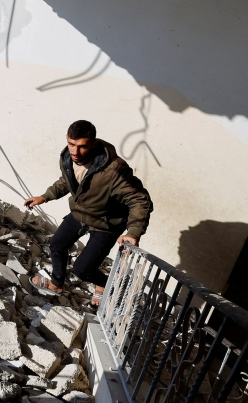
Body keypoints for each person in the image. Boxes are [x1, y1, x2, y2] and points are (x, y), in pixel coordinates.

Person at [24, 120, 152, 307]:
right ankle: (57, 284)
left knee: (83, 269)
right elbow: (66, 181)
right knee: (57, 245)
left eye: (82, 146)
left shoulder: (114, 169)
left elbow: (139, 199)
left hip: (106, 223)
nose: (75, 152)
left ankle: (103, 284)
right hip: (80, 214)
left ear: (93, 143)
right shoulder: (68, 157)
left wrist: (133, 232)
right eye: (71, 144)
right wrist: (45, 197)